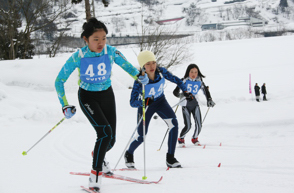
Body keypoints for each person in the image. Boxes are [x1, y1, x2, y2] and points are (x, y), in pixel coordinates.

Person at [54, 18, 149, 192]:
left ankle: (98, 157)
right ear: (86, 39)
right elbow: (59, 81)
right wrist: (65, 105)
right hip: (87, 97)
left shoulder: (111, 52)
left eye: (104, 38)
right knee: (104, 133)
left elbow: (127, 66)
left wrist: (139, 76)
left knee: (110, 139)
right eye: (96, 39)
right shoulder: (78, 56)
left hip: (106, 95)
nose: (101, 43)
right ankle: (95, 175)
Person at [124, 50, 194, 168]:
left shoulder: (161, 72)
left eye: (153, 62)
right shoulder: (139, 81)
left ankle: (170, 158)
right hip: (146, 107)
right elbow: (132, 102)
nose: (152, 66)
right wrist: (143, 102)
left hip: (161, 101)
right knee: (142, 136)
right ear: (142, 66)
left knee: (174, 124)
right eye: (148, 64)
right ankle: (129, 153)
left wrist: (186, 91)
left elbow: (176, 79)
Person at [173, 64, 215, 147]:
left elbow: (206, 91)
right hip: (185, 104)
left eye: (196, 72)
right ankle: (181, 139)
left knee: (199, 124)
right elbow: (175, 92)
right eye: (191, 72)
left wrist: (209, 99)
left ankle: (194, 138)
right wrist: (181, 95)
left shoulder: (199, 81)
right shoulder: (183, 80)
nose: (194, 74)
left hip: (195, 104)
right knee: (188, 125)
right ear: (188, 72)